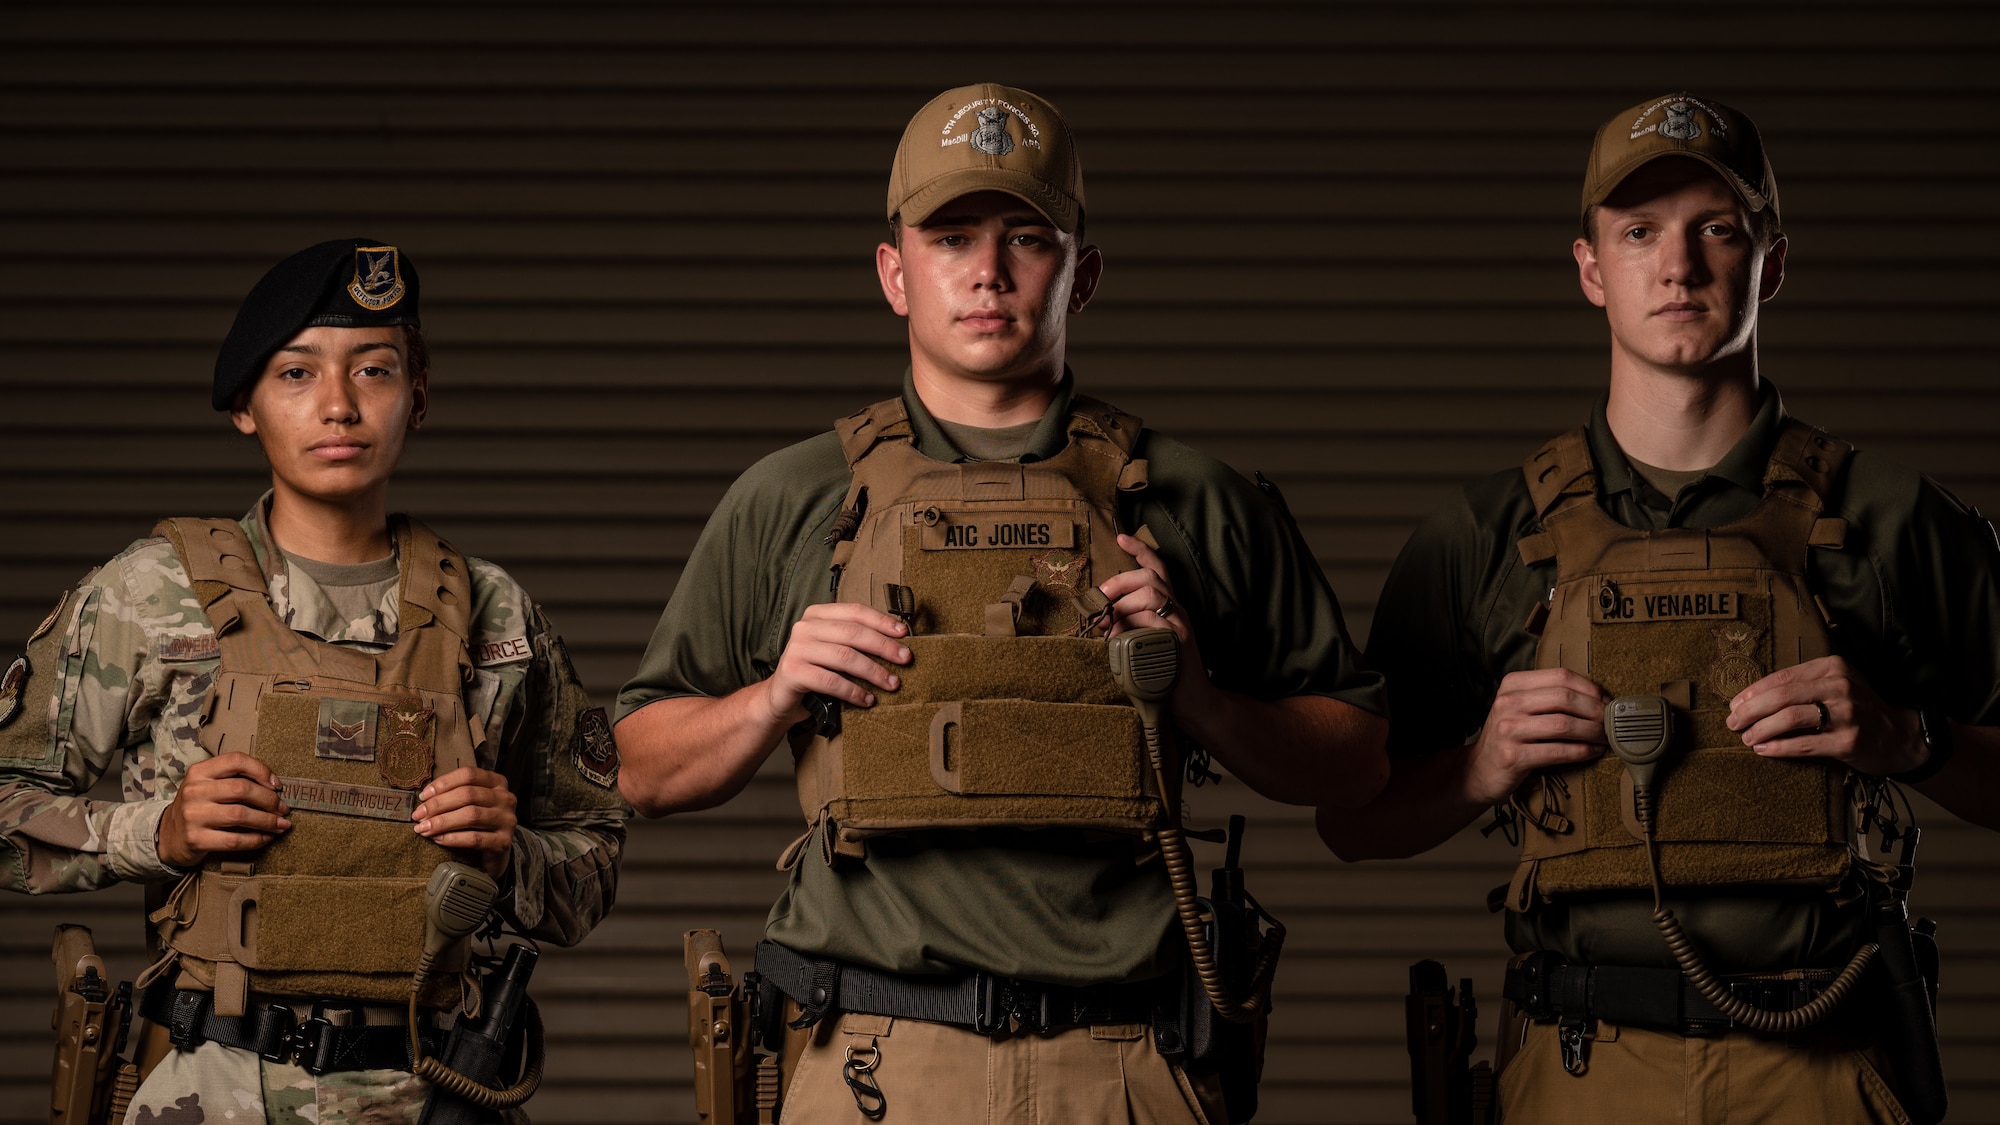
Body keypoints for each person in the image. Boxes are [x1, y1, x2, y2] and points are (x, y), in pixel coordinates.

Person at [615, 83, 1389, 1123]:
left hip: (1123, 1061)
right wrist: (776, 695)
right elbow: (635, 770)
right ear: (894, 272)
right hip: (876, 1060)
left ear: (1083, 273)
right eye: (949, 237)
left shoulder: (1190, 497)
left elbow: (1356, 760)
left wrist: (1197, 693)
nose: (985, 272)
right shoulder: (792, 497)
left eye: (1026, 238)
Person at [1323, 93, 2000, 1122]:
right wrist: (1476, 768)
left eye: (1714, 229)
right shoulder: (1484, 533)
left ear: (1770, 262)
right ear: (1591, 269)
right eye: (1638, 233)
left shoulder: (1895, 520)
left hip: (1818, 1061)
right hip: (1577, 1068)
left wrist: (1910, 740)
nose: (1676, 266)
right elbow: (1350, 821)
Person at [0, 239, 629, 1124]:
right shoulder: (150, 594)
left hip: (440, 1089)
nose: (338, 405)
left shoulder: (495, 614)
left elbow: (595, 851)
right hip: (215, 1091)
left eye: (373, 369)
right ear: (245, 407)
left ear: (418, 394)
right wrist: (157, 832)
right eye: (296, 373)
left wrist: (511, 851)